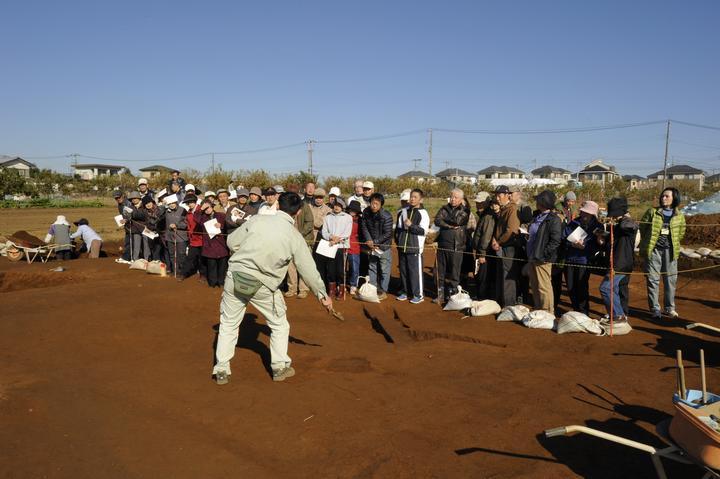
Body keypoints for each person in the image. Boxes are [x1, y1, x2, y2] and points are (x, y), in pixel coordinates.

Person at [213, 192, 333, 384]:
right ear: (299, 212)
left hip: (235, 277)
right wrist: (322, 294)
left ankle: (221, 369)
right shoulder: (294, 236)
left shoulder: (257, 220)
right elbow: (308, 268)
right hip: (262, 285)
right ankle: (279, 367)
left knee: (228, 324)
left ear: (277, 205)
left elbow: (231, 242)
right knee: (279, 325)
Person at [639, 187, 686, 319]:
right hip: (654, 251)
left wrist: (672, 243)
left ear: (674, 198)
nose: (663, 198)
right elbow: (643, 227)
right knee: (653, 280)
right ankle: (655, 309)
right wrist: (649, 242)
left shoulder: (679, 215)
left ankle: (669, 308)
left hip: (670, 252)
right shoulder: (652, 212)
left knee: (670, 280)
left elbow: (681, 232)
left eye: (667, 196)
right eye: (662, 196)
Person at [597, 197, 638, 323]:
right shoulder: (617, 226)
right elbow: (613, 244)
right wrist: (603, 240)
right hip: (617, 262)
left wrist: (623, 217)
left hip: (621, 264)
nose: (612, 217)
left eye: (613, 214)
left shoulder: (627, 223)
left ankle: (618, 315)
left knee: (605, 288)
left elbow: (630, 226)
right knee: (616, 289)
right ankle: (620, 314)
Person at [526, 190, 562, 313]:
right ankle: (538, 308)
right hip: (532, 255)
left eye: (538, 200)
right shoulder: (537, 216)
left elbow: (555, 241)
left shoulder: (554, 219)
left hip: (542, 259)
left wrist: (543, 254)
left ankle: (547, 311)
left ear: (543, 203)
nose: (536, 202)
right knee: (535, 285)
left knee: (544, 286)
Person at [562, 200, 601, 315]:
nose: (583, 214)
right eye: (583, 212)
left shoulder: (597, 226)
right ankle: (576, 310)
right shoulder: (574, 223)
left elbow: (598, 245)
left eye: (586, 213)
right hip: (570, 259)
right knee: (570, 287)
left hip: (584, 260)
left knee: (582, 287)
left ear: (592, 214)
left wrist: (586, 247)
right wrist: (572, 244)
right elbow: (563, 237)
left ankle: (584, 312)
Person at [433, 188, 470, 304]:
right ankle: (440, 295)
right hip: (442, 245)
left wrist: (446, 220)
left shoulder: (465, 210)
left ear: (461, 199)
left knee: (455, 274)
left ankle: (452, 297)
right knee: (441, 272)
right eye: (451, 196)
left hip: (456, 246)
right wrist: (449, 225)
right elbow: (437, 220)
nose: (453, 199)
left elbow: (457, 221)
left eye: (456, 197)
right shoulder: (444, 208)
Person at [395, 188, 430, 304]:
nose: (412, 199)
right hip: (402, 247)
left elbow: (424, 231)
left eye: (415, 197)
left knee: (415, 272)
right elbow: (399, 229)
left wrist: (411, 225)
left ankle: (418, 295)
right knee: (404, 271)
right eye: (411, 196)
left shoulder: (423, 213)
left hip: (415, 247)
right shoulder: (403, 211)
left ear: (421, 199)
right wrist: (398, 241)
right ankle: (405, 292)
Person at [491, 185, 521, 306]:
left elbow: (511, 230)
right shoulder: (504, 208)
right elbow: (499, 228)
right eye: (496, 195)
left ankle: (508, 305)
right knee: (500, 275)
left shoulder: (512, 209)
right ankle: (500, 301)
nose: (497, 198)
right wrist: (494, 239)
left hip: (509, 247)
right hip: (501, 246)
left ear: (507, 195)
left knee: (508, 277)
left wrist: (499, 242)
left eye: (500, 195)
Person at [317, 198, 352, 299]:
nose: (336, 207)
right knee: (331, 269)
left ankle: (341, 290)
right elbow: (324, 232)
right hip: (330, 246)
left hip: (342, 246)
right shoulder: (328, 217)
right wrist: (331, 237)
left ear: (343, 206)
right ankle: (331, 289)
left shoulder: (348, 217)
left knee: (341, 270)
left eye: (339, 205)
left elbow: (347, 233)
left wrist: (337, 240)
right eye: (335, 205)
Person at [361, 192, 393, 300]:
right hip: (371, 245)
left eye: (376, 203)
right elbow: (364, 227)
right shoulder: (366, 212)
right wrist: (369, 240)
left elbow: (388, 233)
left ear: (381, 204)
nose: (374, 205)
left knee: (384, 269)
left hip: (383, 246)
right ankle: (373, 289)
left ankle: (383, 290)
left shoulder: (387, 216)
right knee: (372, 267)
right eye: (372, 203)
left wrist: (375, 242)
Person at [284, 184, 315, 299]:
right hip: (289, 240)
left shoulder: (305, 206)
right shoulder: (285, 207)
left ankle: (303, 289)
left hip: (304, 240)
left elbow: (309, 222)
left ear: (298, 194)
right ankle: (292, 288)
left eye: (294, 194)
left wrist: (299, 234)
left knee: (303, 265)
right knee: (290, 266)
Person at [195, 198, 229, 288]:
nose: (207, 210)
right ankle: (213, 283)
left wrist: (221, 226)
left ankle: (221, 282)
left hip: (221, 244)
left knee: (222, 265)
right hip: (209, 245)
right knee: (211, 265)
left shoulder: (221, 215)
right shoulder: (202, 218)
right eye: (205, 209)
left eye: (208, 207)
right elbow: (195, 218)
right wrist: (201, 209)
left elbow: (228, 225)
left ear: (212, 207)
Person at [472, 195, 497, 300]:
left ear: (487, 203)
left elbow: (486, 236)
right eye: (477, 202)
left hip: (485, 252)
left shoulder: (487, 216)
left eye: (481, 202)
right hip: (482, 251)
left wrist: (482, 253)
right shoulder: (484, 214)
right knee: (480, 275)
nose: (478, 205)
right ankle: (481, 296)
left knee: (483, 277)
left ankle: (482, 298)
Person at [179, 194, 206, 281]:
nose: (189, 204)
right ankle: (184, 274)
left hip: (202, 239)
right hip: (193, 240)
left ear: (195, 202)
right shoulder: (189, 213)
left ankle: (203, 275)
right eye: (188, 203)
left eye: (191, 202)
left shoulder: (202, 210)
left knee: (202, 259)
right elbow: (189, 226)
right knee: (190, 258)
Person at [161, 194, 188, 276]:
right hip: (169, 236)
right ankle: (174, 270)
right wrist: (163, 206)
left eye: (173, 203)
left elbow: (186, 223)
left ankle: (182, 271)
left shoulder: (183, 210)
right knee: (172, 254)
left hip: (181, 236)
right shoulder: (166, 211)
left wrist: (177, 225)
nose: (171, 205)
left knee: (181, 254)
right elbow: (159, 216)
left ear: (176, 202)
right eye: (169, 204)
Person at [123, 191, 149, 260]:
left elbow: (144, 216)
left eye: (135, 198)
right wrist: (125, 220)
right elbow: (127, 217)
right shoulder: (130, 207)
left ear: (139, 198)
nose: (134, 200)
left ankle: (147, 259)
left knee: (146, 245)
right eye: (132, 198)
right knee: (136, 245)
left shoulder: (144, 206)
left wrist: (133, 215)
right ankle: (135, 260)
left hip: (145, 228)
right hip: (135, 229)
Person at [346, 201, 362, 295]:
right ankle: (342, 284)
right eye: (351, 209)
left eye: (354, 210)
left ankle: (353, 285)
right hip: (343, 245)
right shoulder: (343, 217)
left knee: (354, 266)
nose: (352, 211)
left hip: (355, 245)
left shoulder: (360, 220)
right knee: (342, 267)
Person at [112, 191, 133, 262]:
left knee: (130, 242)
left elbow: (133, 214)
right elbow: (123, 215)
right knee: (127, 242)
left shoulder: (128, 203)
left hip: (132, 225)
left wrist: (126, 220)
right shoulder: (119, 205)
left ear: (123, 196)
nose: (118, 199)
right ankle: (126, 257)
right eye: (116, 198)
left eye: (119, 197)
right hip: (127, 226)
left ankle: (128, 258)